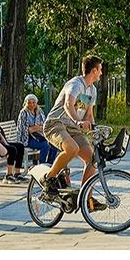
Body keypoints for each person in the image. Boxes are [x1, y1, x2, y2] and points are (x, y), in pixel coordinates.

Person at [42, 55, 103, 206]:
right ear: (94, 71)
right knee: (72, 148)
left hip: (73, 128)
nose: (101, 73)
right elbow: (68, 104)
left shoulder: (92, 90)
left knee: (92, 159)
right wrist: (77, 121)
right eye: (100, 70)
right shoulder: (76, 84)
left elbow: (89, 115)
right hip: (56, 124)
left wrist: (95, 130)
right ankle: (49, 179)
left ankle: (86, 199)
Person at [17, 94, 57, 166]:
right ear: (26, 103)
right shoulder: (23, 113)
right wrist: (37, 128)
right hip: (27, 138)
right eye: (29, 103)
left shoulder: (39, 111)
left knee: (54, 143)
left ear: (36, 103)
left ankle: (50, 164)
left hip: (39, 136)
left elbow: (44, 125)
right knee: (45, 145)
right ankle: (42, 165)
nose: (31, 105)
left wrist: (34, 128)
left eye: (33, 102)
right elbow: (24, 129)